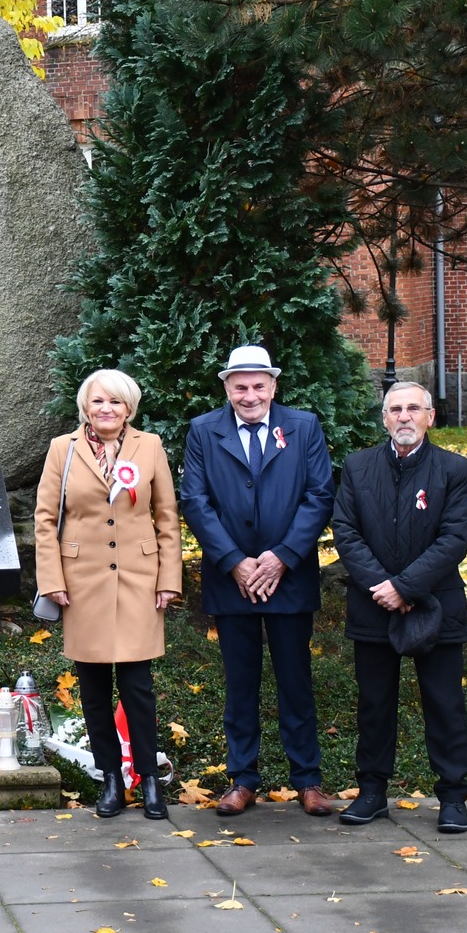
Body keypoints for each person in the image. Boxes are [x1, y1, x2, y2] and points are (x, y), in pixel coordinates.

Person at [178, 345, 337, 818]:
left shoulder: (303, 427)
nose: (250, 395)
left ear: (273, 386)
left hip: (289, 578)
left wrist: (282, 557)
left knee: (296, 682)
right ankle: (242, 779)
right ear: (227, 388)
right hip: (233, 581)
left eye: (258, 386)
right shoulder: (204, 431)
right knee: (240, 684)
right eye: (240, 387)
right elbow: (195, 500)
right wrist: (235, 562)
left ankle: (308, 780)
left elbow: (319, 495)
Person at [33, 369, 183, 820]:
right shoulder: (65, 448)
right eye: (98, 401)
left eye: (116, 402)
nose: (106, 409)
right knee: (94, 688)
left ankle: (150, 780)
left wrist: (169, 579)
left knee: (138, 686)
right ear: (86, 406)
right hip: (81, 584)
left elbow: (167, 518)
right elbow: (44, 520)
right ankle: (111, 780)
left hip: (139, 578)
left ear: (129, 408)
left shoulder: (149, 446)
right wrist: (51, 579)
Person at [331, 381, 467, 833]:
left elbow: (454, 539)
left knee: (444, 703)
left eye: (414, 408)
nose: (404, 417)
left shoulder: (454, 469)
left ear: (431, 417)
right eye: (395, 410)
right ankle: (372, 792)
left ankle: (453, 797)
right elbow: (345, 531)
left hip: (436, 606)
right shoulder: (357, 467)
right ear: (384, 419)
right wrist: (381, 585)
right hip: (373, 604)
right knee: (374, 704)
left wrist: (406, 588)